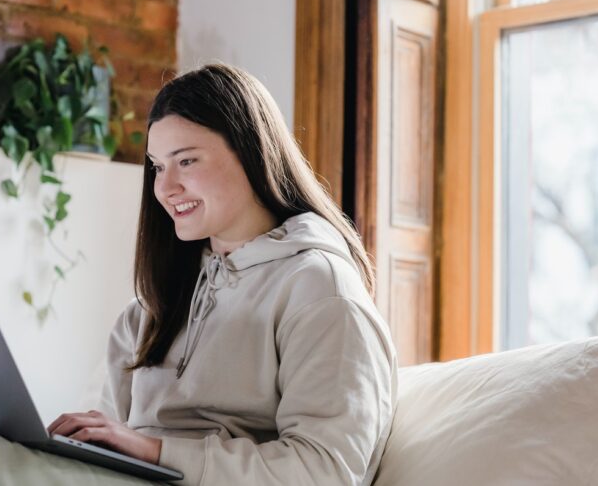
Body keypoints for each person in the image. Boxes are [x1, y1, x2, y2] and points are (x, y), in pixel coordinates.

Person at [47, 64, 397, 486]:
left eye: (187, 161)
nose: (165, 187)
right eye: (157, 167)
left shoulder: (320, 289)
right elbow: (104, 450)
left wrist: (156, 451)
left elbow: (324, 470)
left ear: (251, 153)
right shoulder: (149, 309)